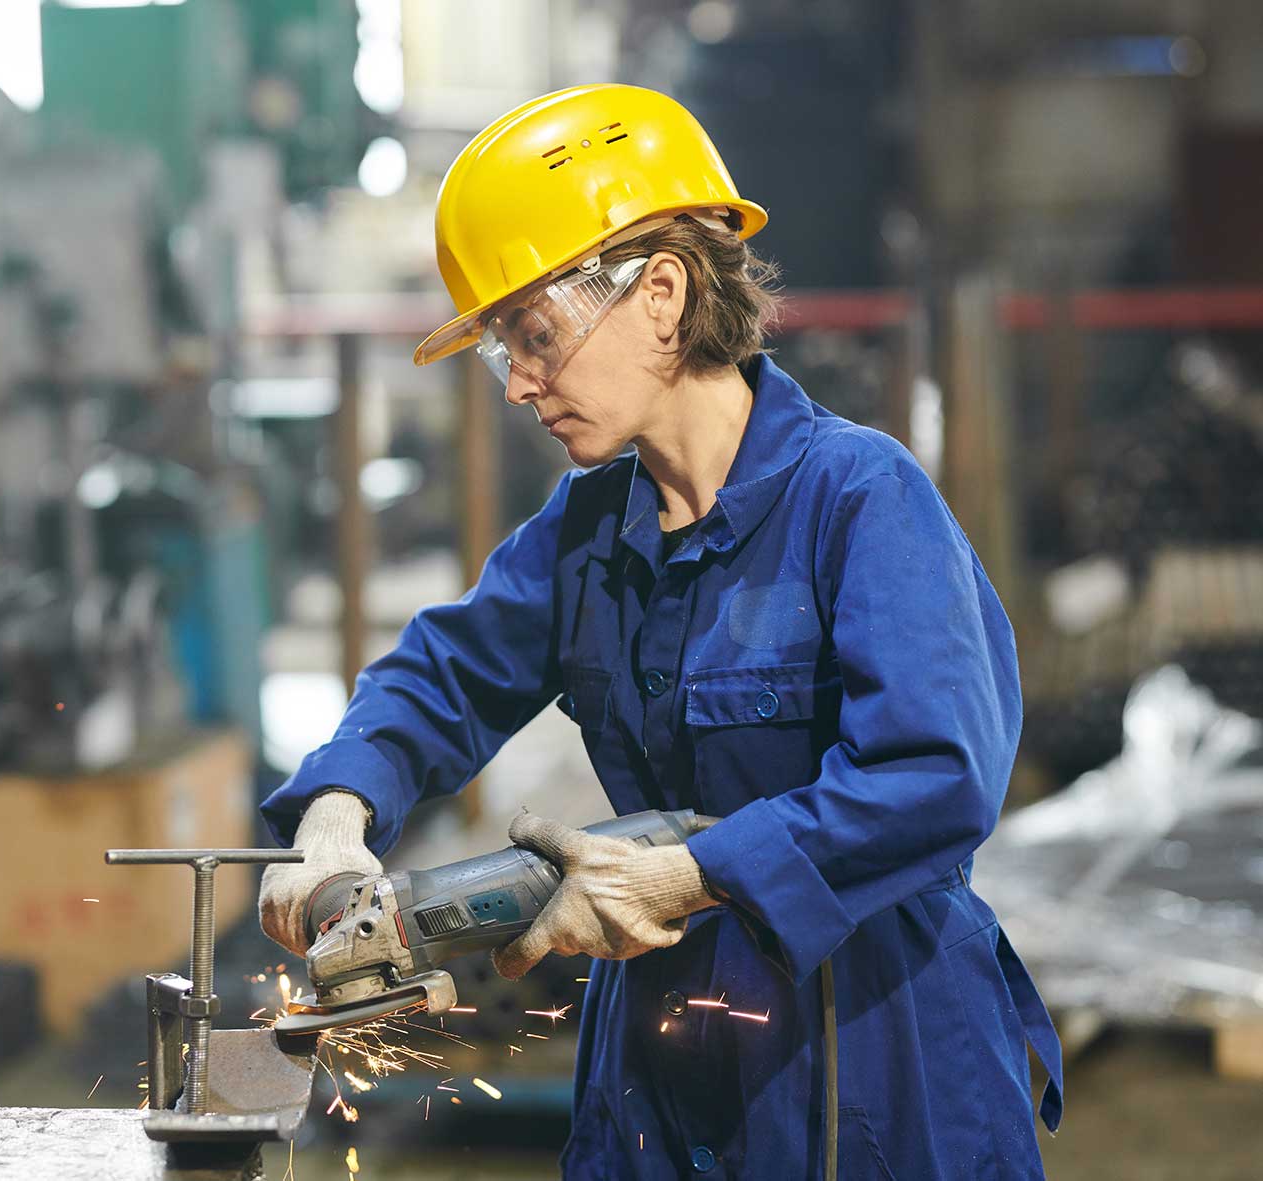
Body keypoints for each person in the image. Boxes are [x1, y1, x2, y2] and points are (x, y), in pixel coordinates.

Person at [258, 83, 1062, 1180]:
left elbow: (934, 775)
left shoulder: (856, 498)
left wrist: (687, 875)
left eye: (532, 334)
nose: (518, 385)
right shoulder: (592, 526)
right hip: (671, 1060)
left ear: (662, 294)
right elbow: (444, 672)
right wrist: (336, 814)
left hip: (869, 1058)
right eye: (503, 349)